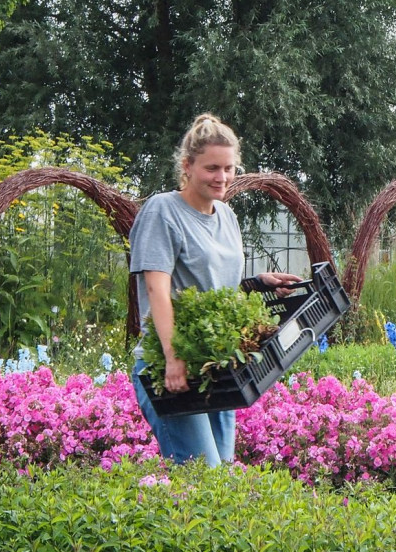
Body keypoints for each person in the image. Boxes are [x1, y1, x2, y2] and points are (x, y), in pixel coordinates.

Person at [128, 113, 300, 465]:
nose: (221, 177)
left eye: (229, 168)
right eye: (211, 168)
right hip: (171, 365)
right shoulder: (163, 211)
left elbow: (214, 290)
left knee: (219, 479)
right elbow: (157, 290)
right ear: (188, 165)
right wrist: (173, 358)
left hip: (215, 368)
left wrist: (255, 284)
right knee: (201, 475)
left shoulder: (226, 216)